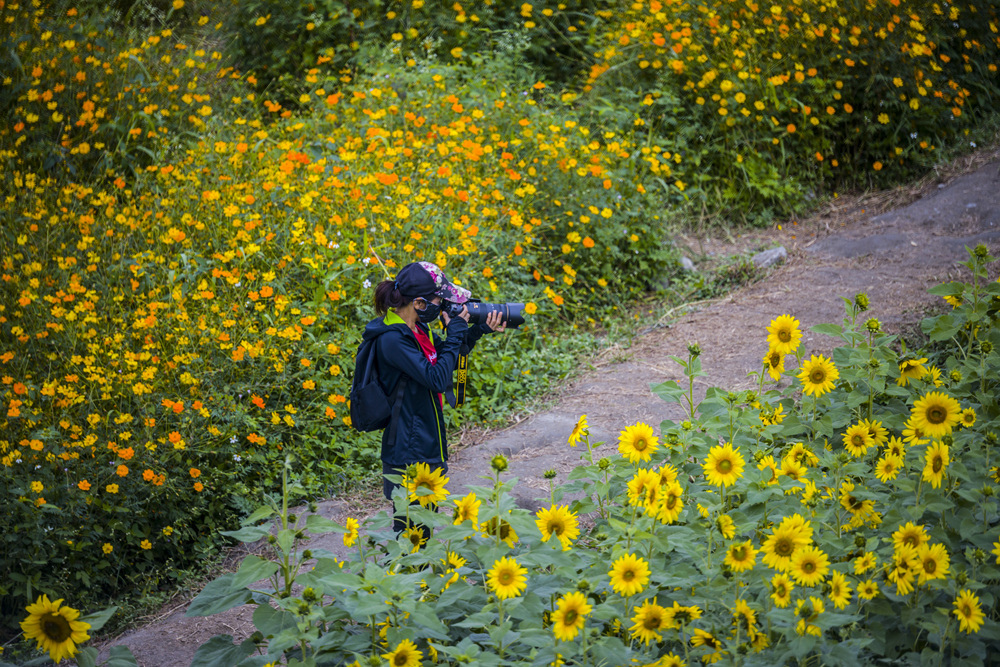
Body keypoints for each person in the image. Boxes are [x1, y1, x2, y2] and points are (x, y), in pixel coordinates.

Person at [364, 261, 507, 537]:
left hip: (425, 441)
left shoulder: (418, 331)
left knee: (424, 531)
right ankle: (403, 579)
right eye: (438, 301)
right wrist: (454, 331)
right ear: (419, 303)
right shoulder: (393, 340)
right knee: (410, 536)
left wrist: (476, 330)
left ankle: (416, 580)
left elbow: (447, 361)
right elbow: (438, 379)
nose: (442, 307)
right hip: (407, 450)